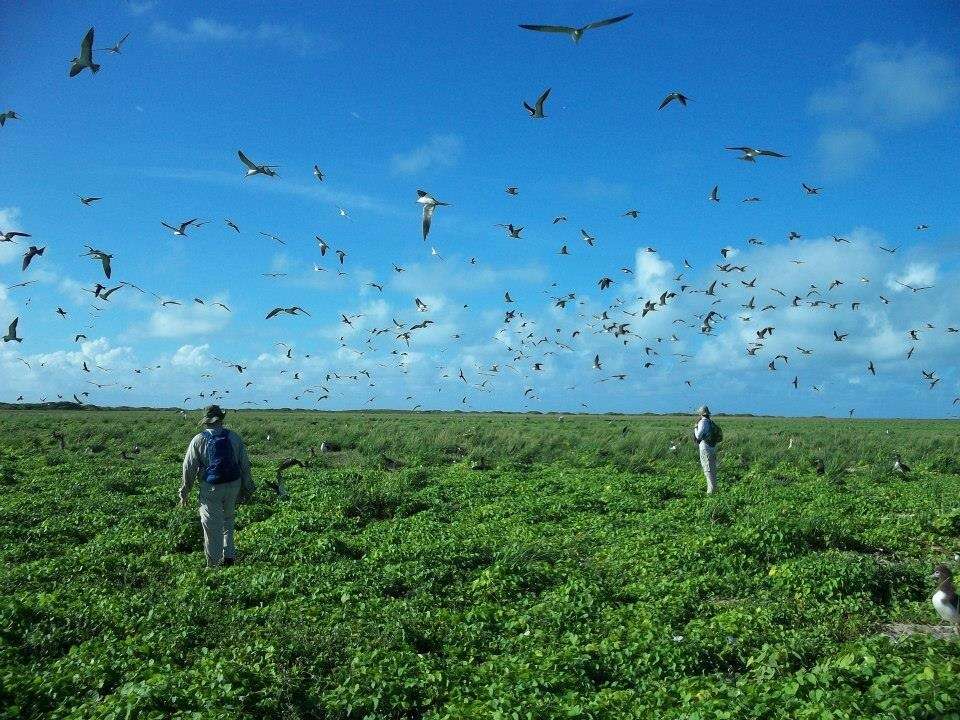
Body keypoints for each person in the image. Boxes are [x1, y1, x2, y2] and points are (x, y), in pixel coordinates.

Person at [179, 405, 254, 568]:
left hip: (211, 488)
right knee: (228, 520)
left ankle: (213, 565)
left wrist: (184, 492)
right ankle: (229, 557)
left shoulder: (199, 439)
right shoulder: (234, 437)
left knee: (212, 526)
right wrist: (248, 487)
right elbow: (245, 464)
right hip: (234, 484)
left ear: (206, 421)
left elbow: (188, 467)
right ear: (221, 419)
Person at [693, 405, 721, 494]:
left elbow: (698, 436)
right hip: (712, 448)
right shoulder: (710, 422)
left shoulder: (703, 422)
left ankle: (711, 493)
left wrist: (695, 428)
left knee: (708, 471)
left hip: (705, 449)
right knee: (712, 470)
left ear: (701, 413)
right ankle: (714, 491)